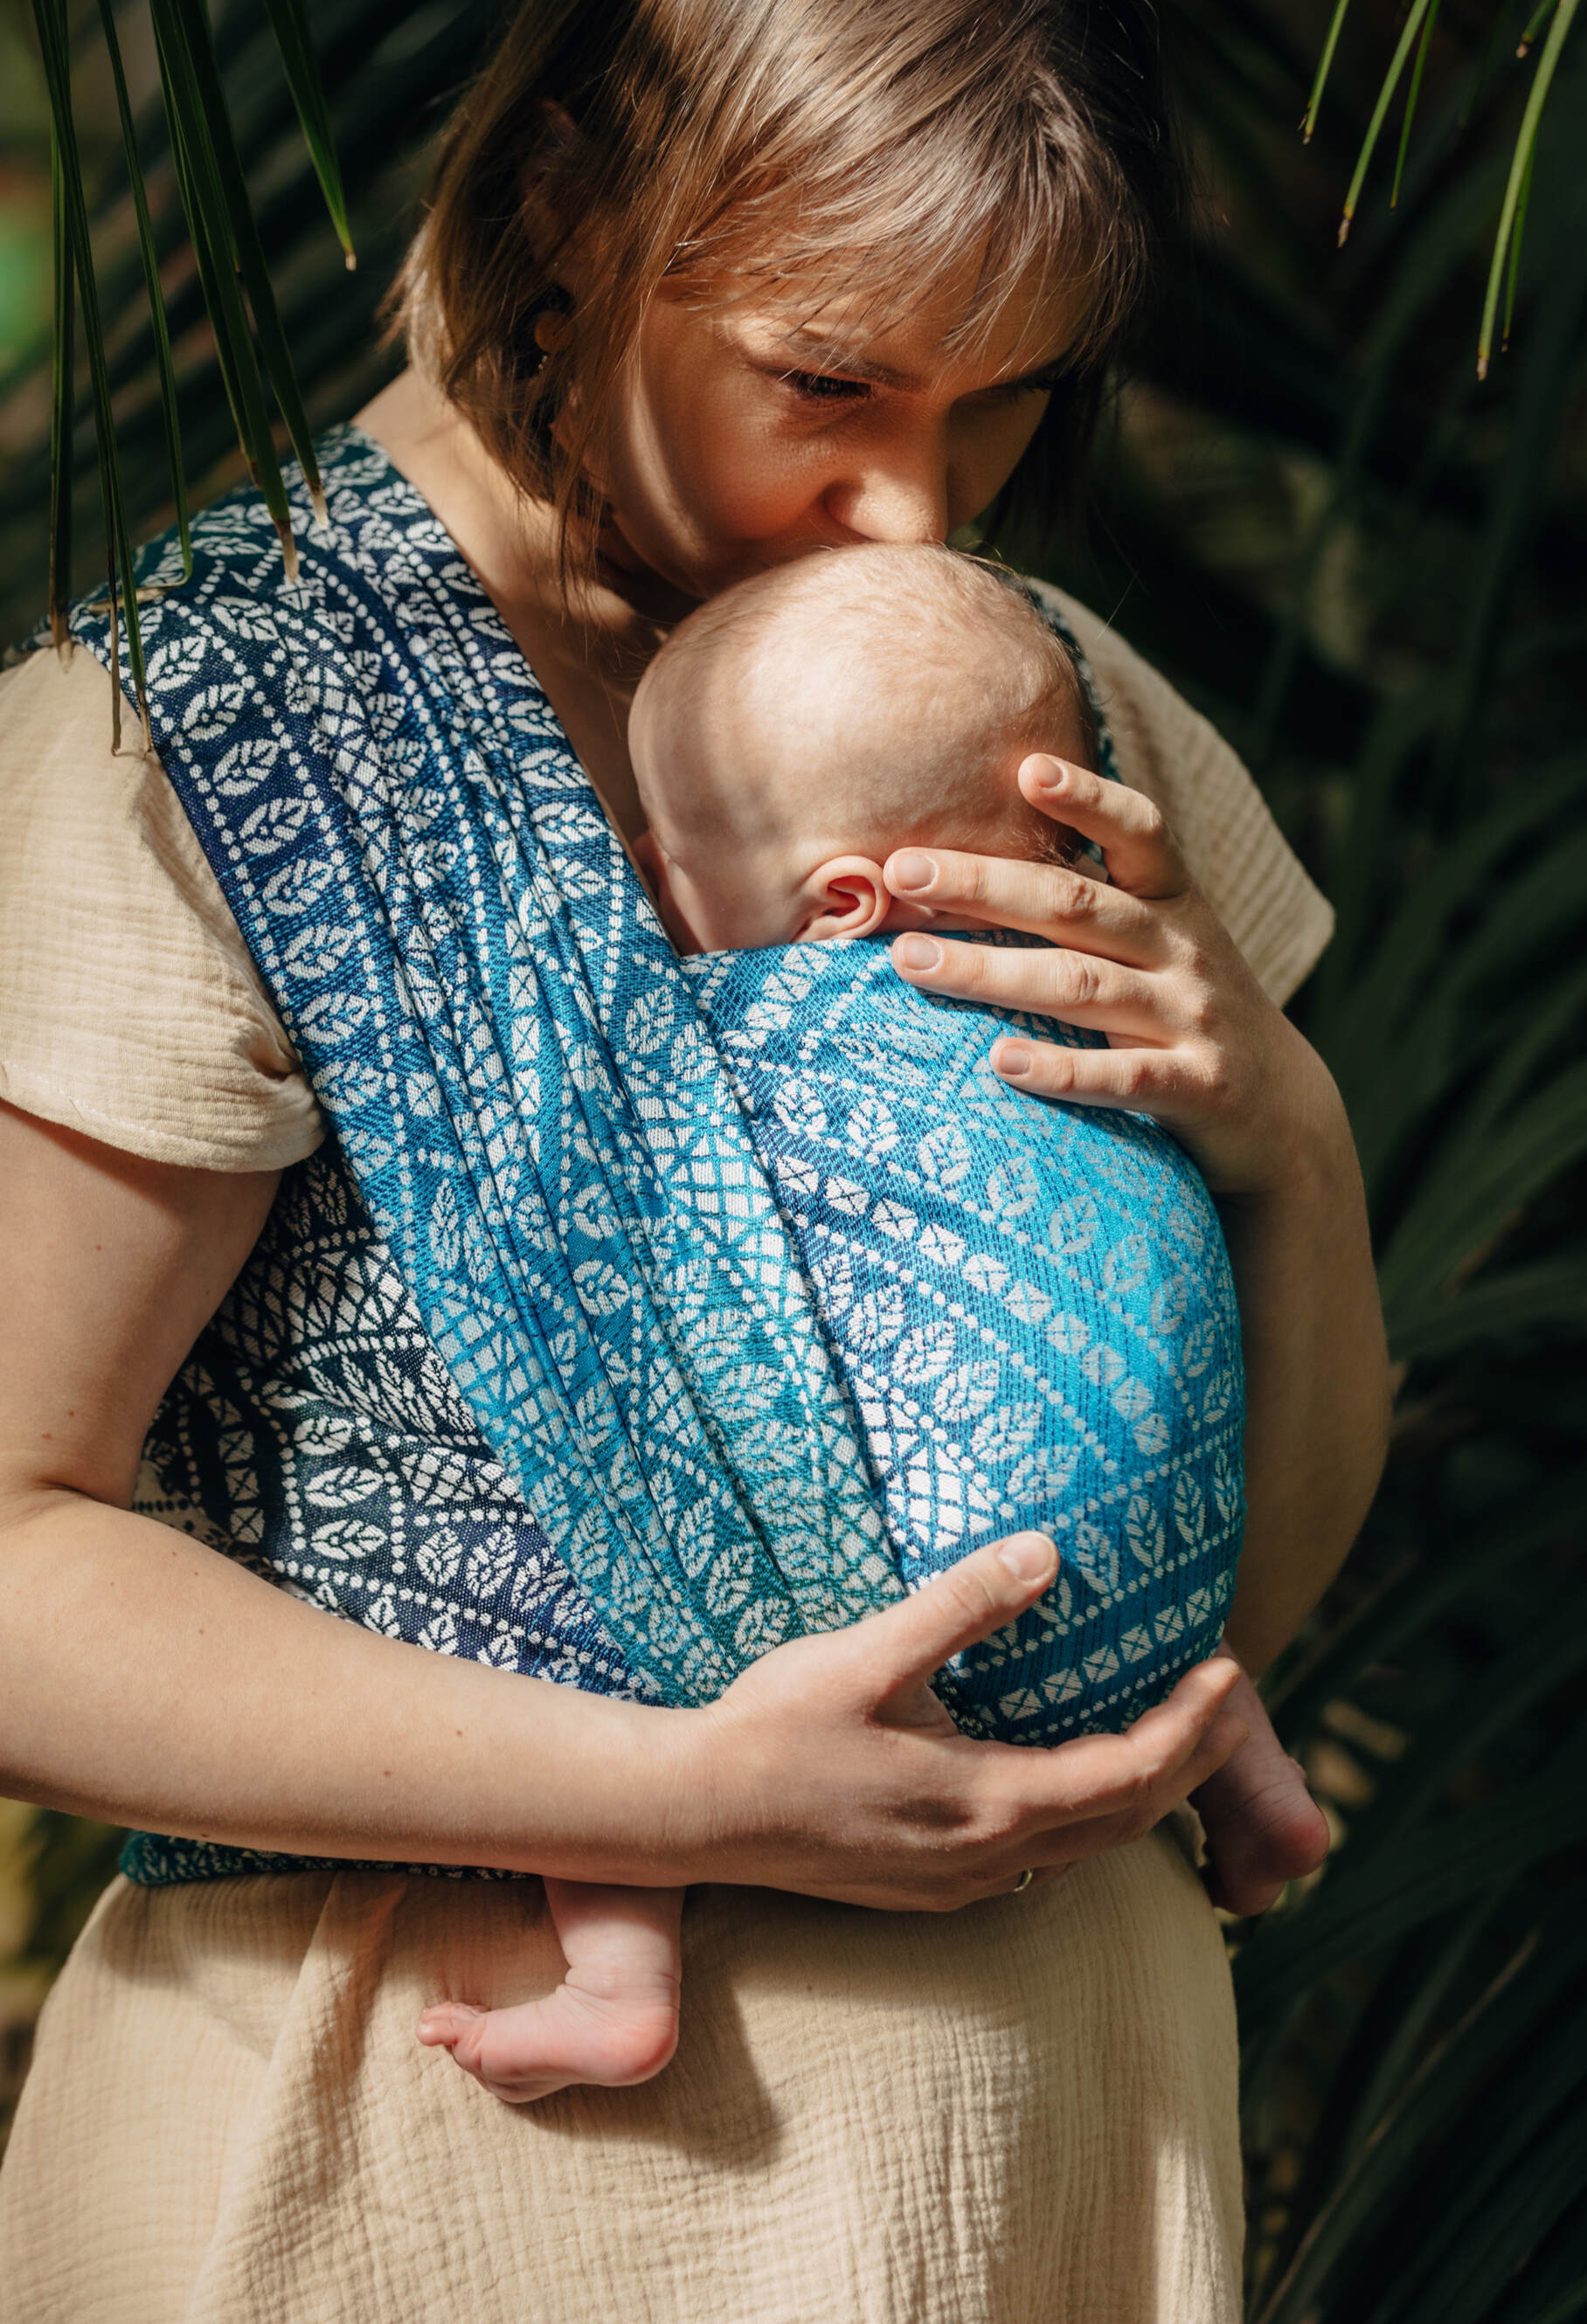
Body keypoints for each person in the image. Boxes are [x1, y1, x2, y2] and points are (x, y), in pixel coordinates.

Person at [0, 0, 1384, 2321]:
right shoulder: (180, 752)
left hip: (1043, 2184)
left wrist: (1291, 1142)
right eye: (833, 377)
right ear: (573, 201)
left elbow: (1251, 1566)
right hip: (416, 2212)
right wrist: (685, 1795)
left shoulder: (1050, 711)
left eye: (1002, 395)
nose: (922, 500)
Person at [416, 543, 1328, 2104]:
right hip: (1167, 1607)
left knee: (593, 1576)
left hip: (908, 1650)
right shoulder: (1121, 995)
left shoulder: (724, 1016)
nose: (636, 874)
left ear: (840, 902)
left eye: (668, 848)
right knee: (1127, 1589)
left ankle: (620, 1972)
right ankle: (1239, 1752)